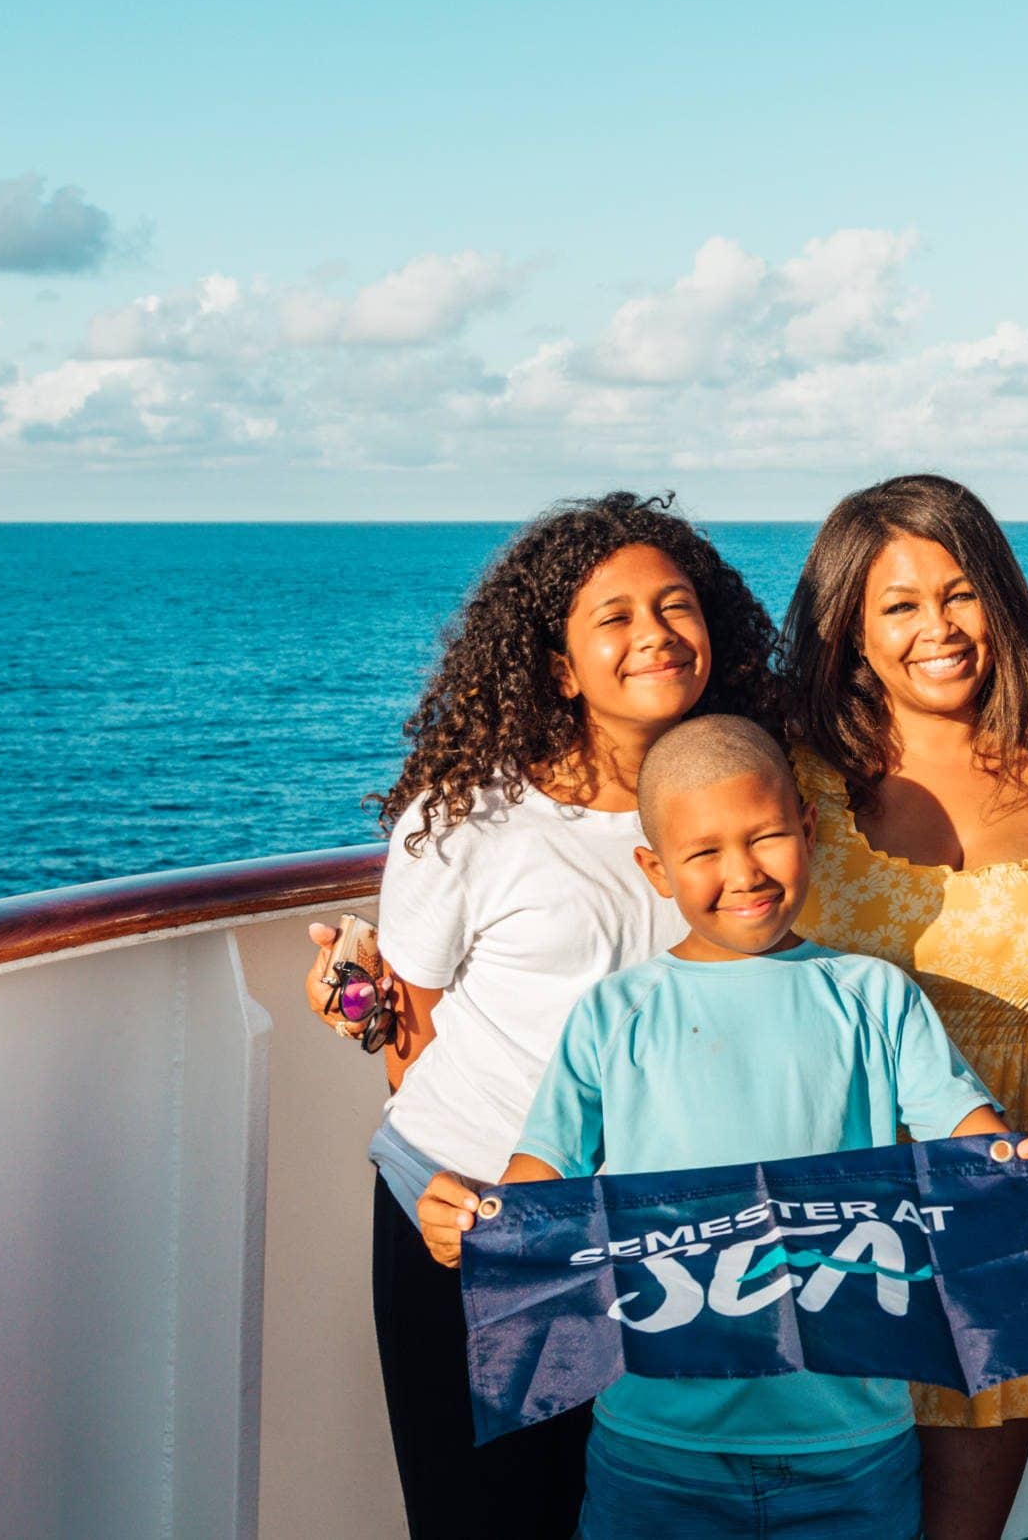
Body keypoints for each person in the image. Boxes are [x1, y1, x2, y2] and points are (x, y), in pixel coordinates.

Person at [468, 715, 1028, 1539]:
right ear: (655, 868)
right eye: (704, 853)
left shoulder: (877, 994)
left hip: (855, 1447)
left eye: (767, 835)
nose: (744, 872)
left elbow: (972, 1137)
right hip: (655, 1452)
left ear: (809, 826)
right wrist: (471, 1219)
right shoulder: (611, 1013)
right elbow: (538, 1176)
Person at [300, 492, 780, 1538]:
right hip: (474, 1219)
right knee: (488, 1515)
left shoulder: (752, 798)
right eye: (614, 616)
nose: (653, 633)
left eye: (676, 606)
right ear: (558, 663)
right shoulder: (468, 814)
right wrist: (357, 993)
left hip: (669, 1234)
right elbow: (413, 1031)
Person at [781, 473, 1028, 1540]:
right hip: (835, 1201)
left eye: (960, 592)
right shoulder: (793, 768)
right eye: (898, 604)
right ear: (846, 626)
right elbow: (648, 864)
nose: (937, 628)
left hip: (1018, 1195)